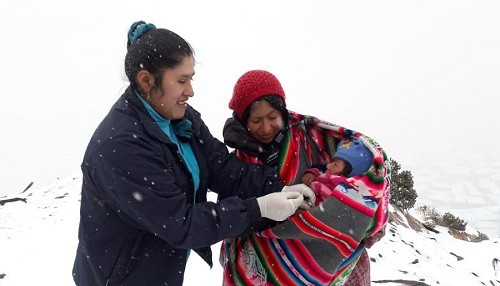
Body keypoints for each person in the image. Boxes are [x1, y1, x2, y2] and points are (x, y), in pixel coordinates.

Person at [72, 22, 316, 286]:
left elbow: (222, 168)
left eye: (191, 78)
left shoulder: (178, 117)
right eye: (181, 80)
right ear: (146, 80)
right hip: (124, 277)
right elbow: (180, 223)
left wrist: (280, 186)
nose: (190, 91)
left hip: (159, 268)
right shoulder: (121, 146)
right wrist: (258, 208)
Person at [219, 70, 391, 285]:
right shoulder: (236, 163)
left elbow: (366, 166)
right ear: (243, 119)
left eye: (272, 117)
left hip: (331, 251)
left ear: (283, 111)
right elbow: (232, 217)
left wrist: (369, 215)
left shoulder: (311, 137)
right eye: (255, 120)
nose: (265, 127)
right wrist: (273, 213)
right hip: (266, 257)